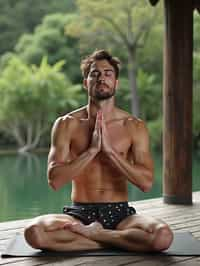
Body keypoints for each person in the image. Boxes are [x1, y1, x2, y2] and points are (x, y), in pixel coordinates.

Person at [24, 50, 173, 252]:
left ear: (116, 83)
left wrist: (111, 152)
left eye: (108, 73)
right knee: (34, 232)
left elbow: (146, 183)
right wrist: (91, 151)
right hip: (79, 213)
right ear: (86, 83)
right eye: (94, 74)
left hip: (120, 214)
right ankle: (111, 239)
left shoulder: (133, 126)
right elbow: (55, 180)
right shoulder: (66, 124)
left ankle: (96, 235)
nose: (101, 78)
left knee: (162, 236)